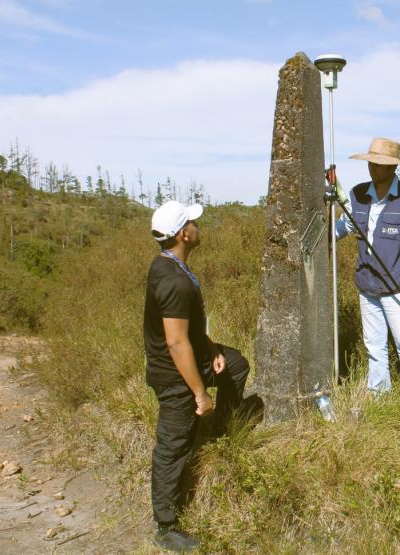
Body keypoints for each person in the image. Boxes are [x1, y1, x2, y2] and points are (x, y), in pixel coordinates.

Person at [143, 200, 250, 553]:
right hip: (174, 375)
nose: (197, 226)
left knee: (235, 364)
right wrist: (200, 393)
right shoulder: (174, 281)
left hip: (190, 359)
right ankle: (166, 525)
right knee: (174, 444)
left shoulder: (171, 266)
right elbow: (175, 343)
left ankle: (221, 430)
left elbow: (189, 331)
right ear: (182, 234)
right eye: (192, 222)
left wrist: (212, 349)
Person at [334, 137, 400, 411]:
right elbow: (344, 226)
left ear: (392, 168)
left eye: (379, 164)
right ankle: (379, 397)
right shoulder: (357, 195)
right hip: (367, 287)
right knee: (374, 347)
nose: (373, 168)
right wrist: (326, 235)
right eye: (371, 162)